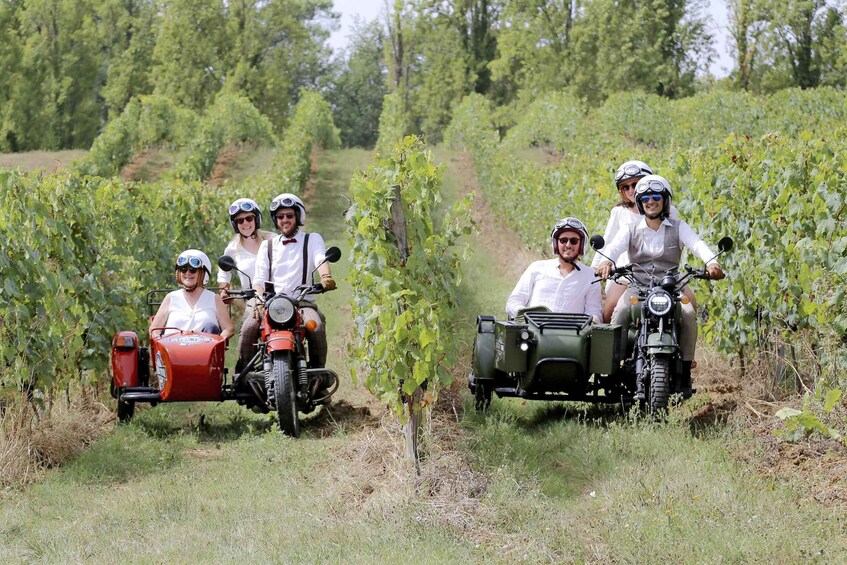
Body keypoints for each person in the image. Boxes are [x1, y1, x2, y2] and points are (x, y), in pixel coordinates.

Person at [596, 175, 724, 396]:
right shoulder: (630, 228)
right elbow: (614, 247)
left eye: (656, 196)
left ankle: (685, 367)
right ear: (639, 202)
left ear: (665, 200)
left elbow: (697, 244)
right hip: (638, 286)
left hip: (671, 287)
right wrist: (606, 261)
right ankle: (613, 365)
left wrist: (712, 262)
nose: (650, 201)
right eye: (645, 197)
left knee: (688, 313)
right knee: (621, 312)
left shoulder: (678, 227)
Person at [591, 160, 683, 322]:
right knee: (611, 309)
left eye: (635, 184)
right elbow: (609, 242)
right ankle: (609, 345)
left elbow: (676, 238)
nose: (631, 190)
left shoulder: (669, 212)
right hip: (626, 274)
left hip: (664, 273)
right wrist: (598, 267)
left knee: (688, 306)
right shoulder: (619, 212)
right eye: (625, 187)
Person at [252, 193, 336, 369]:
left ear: (298, 217)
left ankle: (318, 380)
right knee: (247, 328)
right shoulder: (267, 246)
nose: (285, 220)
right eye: (280, 217)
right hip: (272, 305)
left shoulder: (312, 239)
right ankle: (244, 379)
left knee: (317, 327)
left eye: (289, 215)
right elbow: (258, 279)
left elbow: (320, 258)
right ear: (276, 220)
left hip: (302, 303)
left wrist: (325, 277)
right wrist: (259, 301)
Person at [506, 217, 602, 323]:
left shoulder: (590, 276)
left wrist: (594, 321)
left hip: (572, 335)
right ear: (556, 243)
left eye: (574, 241)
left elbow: (594, 311)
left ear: (581, 245)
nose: (568, 245)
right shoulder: (537, 267)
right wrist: (523, 314)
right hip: (531, 331)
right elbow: (514, 300)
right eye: (563, 240)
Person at [217, 198, 274, 371]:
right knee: (249, 327)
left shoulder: (272, 240)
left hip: (279, 294)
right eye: (240, 220)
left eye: (249, 218)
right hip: (253, 298)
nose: (245, 223)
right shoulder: (233, 248)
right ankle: (243, 369)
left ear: (256, 219)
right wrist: (224, 288)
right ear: (235, 225)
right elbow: (223, 271)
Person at [149, 249, 234, 340]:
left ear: (203, 273)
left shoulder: (214, 299)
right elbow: (155, 328)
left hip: (204, 350)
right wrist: (156, 335)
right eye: (183, 269)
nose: (187, 273)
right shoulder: (171, 298)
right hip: (173, 350)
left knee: (211, 327)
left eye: (193, 270)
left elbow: (228, 329)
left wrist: (219, 340)